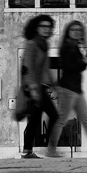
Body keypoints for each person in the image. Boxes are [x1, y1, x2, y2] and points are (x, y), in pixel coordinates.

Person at [44, 20, 87, 158]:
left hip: (76, 89)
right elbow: (70, 67)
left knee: (86, 121)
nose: (77, 32)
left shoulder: (75, 47)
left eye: (79, 30)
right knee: (62, 120)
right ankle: (51, 149)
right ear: (68, 32)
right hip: (67, 89)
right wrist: (83, 61)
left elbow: (80, 67)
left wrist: (85, 59)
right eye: (73, 30)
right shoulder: (66, 48)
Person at [20, 15, 58, 159]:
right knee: (53, 115)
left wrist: (53, 84)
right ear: (36, 28)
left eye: (49, 27)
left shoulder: (44, 45)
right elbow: (27, 68)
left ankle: (27, 151)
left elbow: (45, 68)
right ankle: (48, 147)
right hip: (34, 88)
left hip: (41, 87)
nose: (47, 29)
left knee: (35, 120)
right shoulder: (32, 44)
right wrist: (34, 90)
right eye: (43, 26)